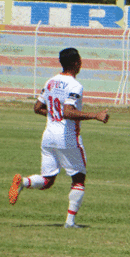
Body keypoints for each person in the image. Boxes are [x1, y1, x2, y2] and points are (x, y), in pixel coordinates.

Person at [8, 48, 109, 228]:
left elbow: (37, 108)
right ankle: (70, 222)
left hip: (48, 136)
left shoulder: (51, 82)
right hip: (67, 137)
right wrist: (96, 115)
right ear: (77, 63)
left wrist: (54, 115)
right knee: (78, 178)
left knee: (48, 180)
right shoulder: (74, 85)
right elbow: (68, 111)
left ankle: (23, 182)